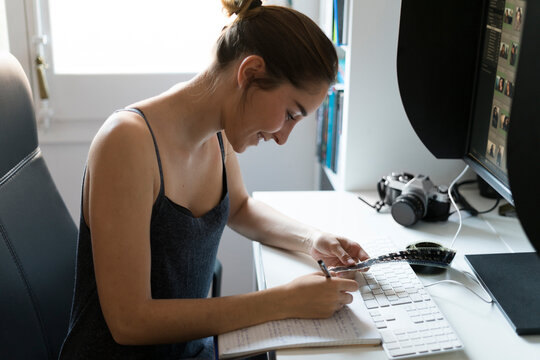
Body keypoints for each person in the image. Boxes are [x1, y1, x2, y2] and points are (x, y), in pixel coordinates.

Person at [58, 1, 368, 359]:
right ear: (249, 73)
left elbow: (239, 207)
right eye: (289, 114)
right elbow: (129, 321)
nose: (283, 137)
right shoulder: (126, 143)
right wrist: (284, 301)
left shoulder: (219, 134)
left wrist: (313, 239)